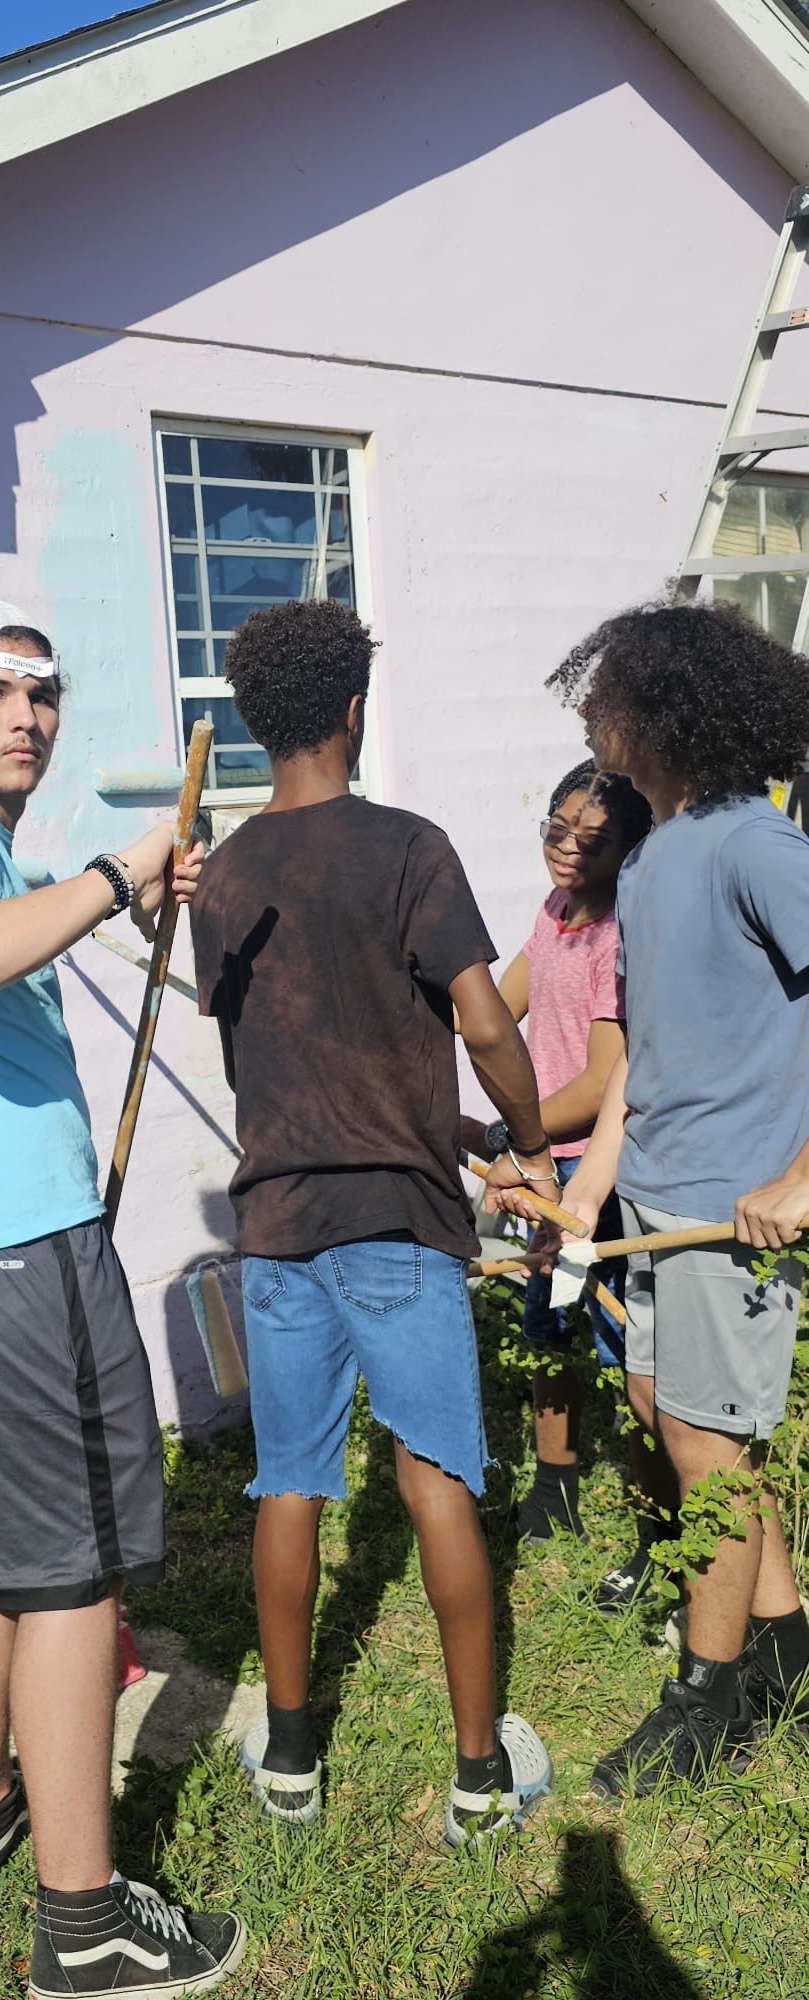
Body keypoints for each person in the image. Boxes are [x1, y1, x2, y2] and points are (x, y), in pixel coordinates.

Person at [0, 597, 244, 2000]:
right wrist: (106, 871)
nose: (29, 711)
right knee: (72, 1573)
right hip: (11, 1254)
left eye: (46, 690)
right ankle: (83, 1923)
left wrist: (109, 900)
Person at [190, 596, 553, 1848]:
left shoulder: (222, 871)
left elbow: (298, 1060)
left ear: (256, 724)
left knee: (287, 1481)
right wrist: (529, 1141)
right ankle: (474, 1777)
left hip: (280, 1224)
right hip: (395, 1227)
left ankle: (289, 1756)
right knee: (437, 1477)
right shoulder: (408, 845)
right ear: (352, 708)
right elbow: (483, 1026)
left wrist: (444, 1129)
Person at [543, 598, 809, 1798]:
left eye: (603, 694)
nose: (589, 713)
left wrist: (799, 1178)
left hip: (730, 1207)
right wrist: (593, 1177)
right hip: (651, 1191)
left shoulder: (756, 844)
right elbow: (642, 1050)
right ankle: (788, 1646)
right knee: (674, 1413)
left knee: (710, 1450)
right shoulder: (649, 855)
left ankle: (708, 1698)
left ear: (661, 707)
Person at [462, 760, 654, 1553]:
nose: (570, 849)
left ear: (631, 849)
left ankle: (660, 1528)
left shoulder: (620, 933)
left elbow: (603, 1080)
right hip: (546, 1160)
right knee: (548, 1328)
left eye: (595, 840)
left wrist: (515, 1140)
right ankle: (555, 1491)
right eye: (558, 828)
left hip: (590, 1171)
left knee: (622, 1344)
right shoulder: (556, 911)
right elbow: (494, 1012)